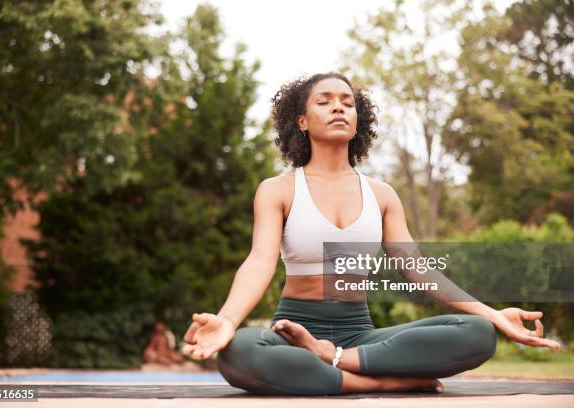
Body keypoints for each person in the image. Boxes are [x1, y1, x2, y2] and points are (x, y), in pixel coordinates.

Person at [181, 72, 561, 395]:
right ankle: (380, 383)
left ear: (357, 119)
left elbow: (418, 270)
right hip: (293, 330)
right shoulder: (278, 189)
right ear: (301, 121)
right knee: (241, 350)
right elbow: (260, 261)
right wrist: (228, 321)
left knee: (477, 333)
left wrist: (492, 314)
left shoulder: (381, 194)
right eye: (324, 101)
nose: (338, 108)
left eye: (347, 103)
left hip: (361, 337)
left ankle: (333, 361)